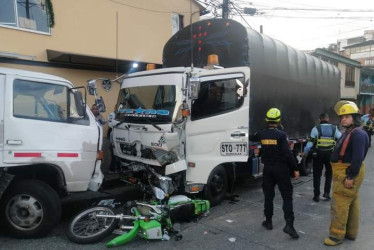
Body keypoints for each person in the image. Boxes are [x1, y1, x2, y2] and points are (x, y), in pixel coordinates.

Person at [324, 101, 369, 246]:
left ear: (354, 118)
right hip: (346, 171)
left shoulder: (358, 134)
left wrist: (350, 176)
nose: (343, 119)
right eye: (342, 116)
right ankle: (351, 233)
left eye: (347, 116)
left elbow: (357, 158)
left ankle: (336, 236)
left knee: (340, 203)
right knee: (352, 202)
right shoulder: (350, 132)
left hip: (347, 172)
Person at [250, 108, 300, 239]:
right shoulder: (281, 135)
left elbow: (252, 137)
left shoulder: (261, 133)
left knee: (268, 196)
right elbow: (288, 154)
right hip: (281, 170)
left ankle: (268, 222)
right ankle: (289, 225)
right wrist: (295, 168)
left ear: (267, 120)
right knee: (287, 197)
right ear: (279, 120)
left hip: (268, 170)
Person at [303, 113, 341, 202]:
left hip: (318, 155)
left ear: (319, 120)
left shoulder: (315, 129)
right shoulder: (334, 129)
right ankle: (326, 194)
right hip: (330, 155)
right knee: (329, 174)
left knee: (317, 175)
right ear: (328, 119)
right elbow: (340, 139)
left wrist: (305, 153)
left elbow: (310, 143)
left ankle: (316, 196)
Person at [107, 105, 117, 173]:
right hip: (113, 134)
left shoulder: (121, 114)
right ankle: (112, 169)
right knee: (113, 153)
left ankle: (115, 168)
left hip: (118, 134)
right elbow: (110, 124)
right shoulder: (112, 114)